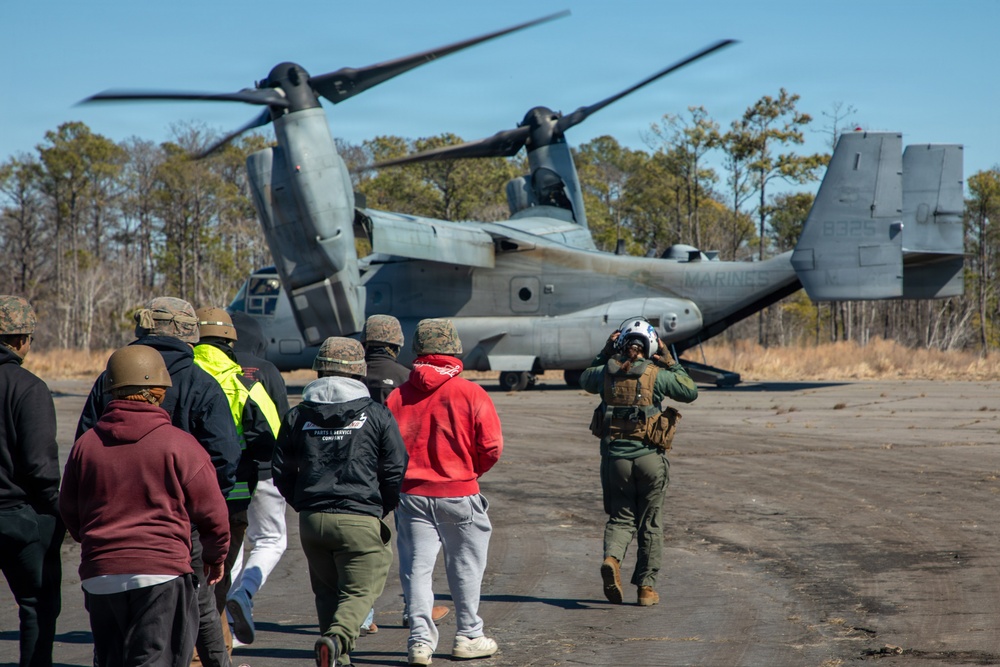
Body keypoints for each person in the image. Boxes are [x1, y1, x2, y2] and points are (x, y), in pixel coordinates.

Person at [75, 296, 241, 667]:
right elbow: (226, 458)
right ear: (188, 333)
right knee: (195, 612)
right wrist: (193, 509)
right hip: (176, 530)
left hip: (108, 538)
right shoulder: (202, 382)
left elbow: (81, 455)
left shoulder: (109, 380)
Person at [273, 337, 407, 667]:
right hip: (360, 516)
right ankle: (336, 639)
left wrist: (304, 504)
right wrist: (380, 508)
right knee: (360, 591)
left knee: (326, 593)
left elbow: (281, 470)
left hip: (312, 520)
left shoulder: (296, 416)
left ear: (319, 369)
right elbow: (395, 468)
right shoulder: (377, 414)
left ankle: (336, 660)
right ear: (358, 372)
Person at [386, 318, 503, 666]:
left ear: (418, 352)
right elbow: (492, 446)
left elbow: (387, 451)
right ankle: (468, 635)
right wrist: (468, 473)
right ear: (454, 351)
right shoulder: (471, 393)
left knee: (417, 569)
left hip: (411, 496)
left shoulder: (397, 396)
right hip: (459, 493)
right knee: (466, 567)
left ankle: (420, 643)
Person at [580, 317, 698, 607]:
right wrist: (671, 362)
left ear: (621, 343)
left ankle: (612, 559)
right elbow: (690, 391)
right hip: (649, 460)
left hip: (615, 460)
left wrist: (606, 352)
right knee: (650, 523)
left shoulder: (604, 373)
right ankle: (646, 589)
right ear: (650, 346)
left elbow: (584, 378)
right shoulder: (658, 374)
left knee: (621, 518)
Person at [192, 308, 281, 638]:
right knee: (220, 567)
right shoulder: (242, 379)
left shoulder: (178, 373)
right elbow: (274, 433)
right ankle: (217, 643)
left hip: (178, 489)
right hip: (234, 490)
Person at [359, 314, 449, 633]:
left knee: (362, 544)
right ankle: (415, 610)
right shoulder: (407, 377)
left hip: (355, 473)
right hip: (401, 474)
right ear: (396, 344)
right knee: (410, 545)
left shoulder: (350, 374)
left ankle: (363, 615)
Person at [0, 295, 65, 667]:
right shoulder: (28, 388)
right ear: (21, 339)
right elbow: (41, 467)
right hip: (19, 517)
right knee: (37, 607)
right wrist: (60, 511)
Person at [225, 311, 289, 646]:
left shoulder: (208, 367)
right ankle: (244, 594)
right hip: (262, 472)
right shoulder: (264, 370)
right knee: (271, 540)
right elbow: (279, 421)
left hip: (220, 474)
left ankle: (225, 629)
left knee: (227, 545)